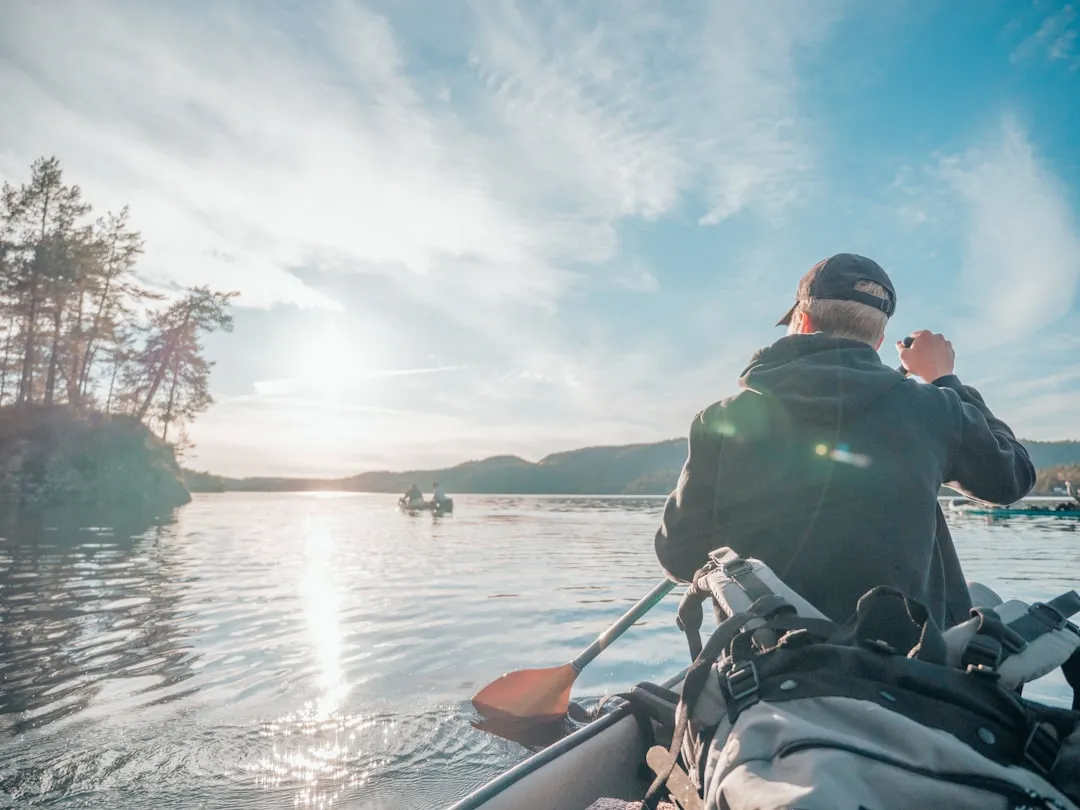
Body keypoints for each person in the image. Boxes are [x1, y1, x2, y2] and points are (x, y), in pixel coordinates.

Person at [654, 253, 1035, 628]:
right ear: (879, 339)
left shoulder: (719, 420)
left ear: (801, 321)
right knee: (982, 601)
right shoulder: (934, 409)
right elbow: (1011, 478)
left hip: (764, 664)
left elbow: (680, 557)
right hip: (906, 663)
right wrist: (945, 381)